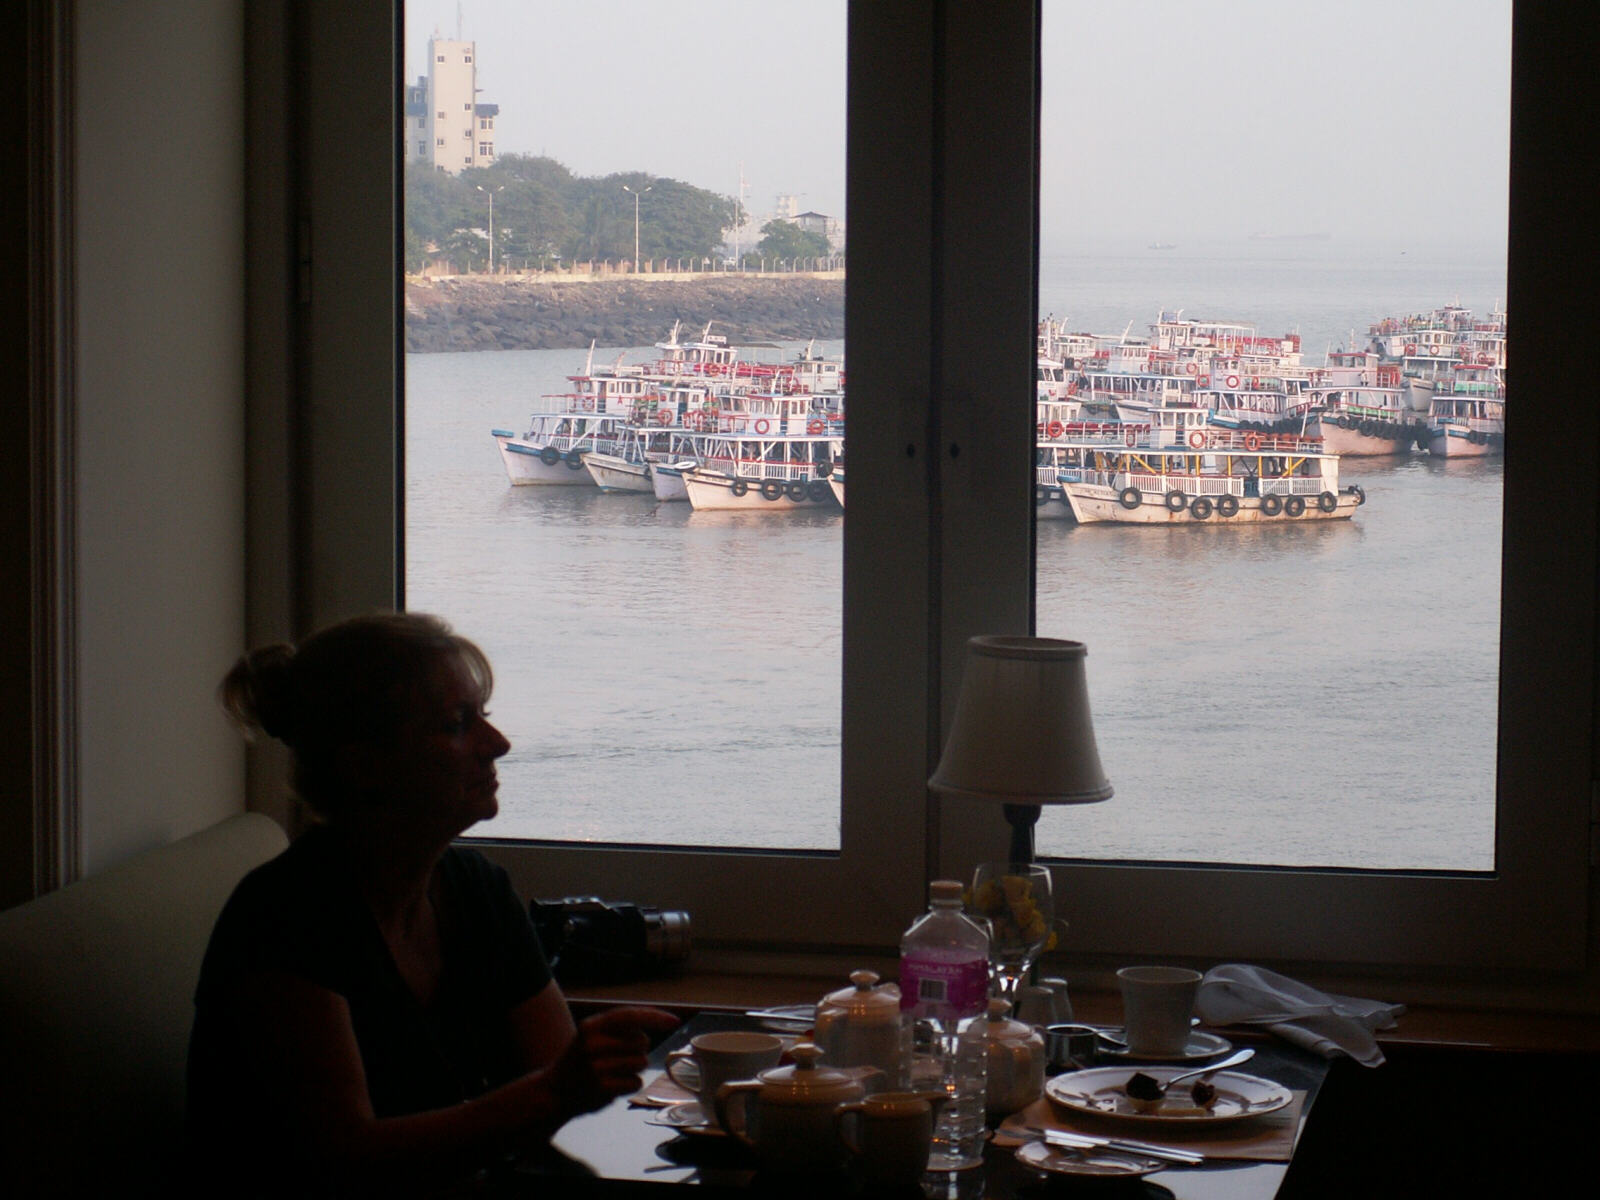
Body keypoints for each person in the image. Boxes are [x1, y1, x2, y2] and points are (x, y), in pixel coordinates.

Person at [186, 613, 678, 1195]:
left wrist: (583, 1079)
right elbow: (346, 1162)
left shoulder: (476, 891)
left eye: (484, 719)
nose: (497, 745)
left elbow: (558, 1072)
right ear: (364, 765)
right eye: (457, 724)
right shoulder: (284, 919)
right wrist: (558, 1090)